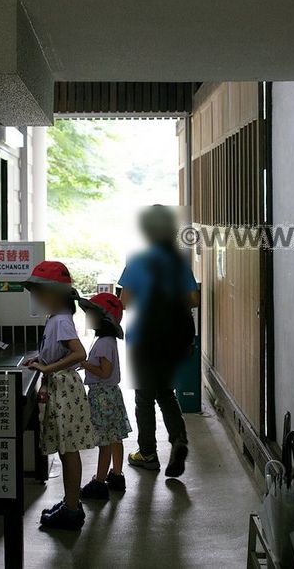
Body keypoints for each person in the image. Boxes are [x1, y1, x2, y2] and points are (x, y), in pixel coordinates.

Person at [118, 205, 199, 478]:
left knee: (144, 398)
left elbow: (125, 301)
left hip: (145, 339)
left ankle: (148, 453)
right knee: (165, 393)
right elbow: (194, 300)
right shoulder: (178, 262)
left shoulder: (139, 261)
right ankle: (179, 439)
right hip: (173, 340)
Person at [21, 260, 97, 530]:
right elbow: (57, 350)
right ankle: (70, 502)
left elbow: (79, 354)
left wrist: (46, 367)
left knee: (68, 449)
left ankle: (73, 510)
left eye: (39, 292)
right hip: (60, 386)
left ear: (54, 294)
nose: (36, 298)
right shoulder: (56, 319)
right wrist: (38, 358)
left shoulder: (62, 320)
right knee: (66, 449)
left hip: (64, 388)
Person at [77, 292, 131, 500]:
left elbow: (104, 372)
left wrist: (83, 363)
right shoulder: (106, 340)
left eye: (90, 313)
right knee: (115, 437)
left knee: (105, 442)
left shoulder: (104, 343)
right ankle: (116, 475)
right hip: (111, 394)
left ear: (103, 319)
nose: (87, 317)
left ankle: (99, 482)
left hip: (102, 396)